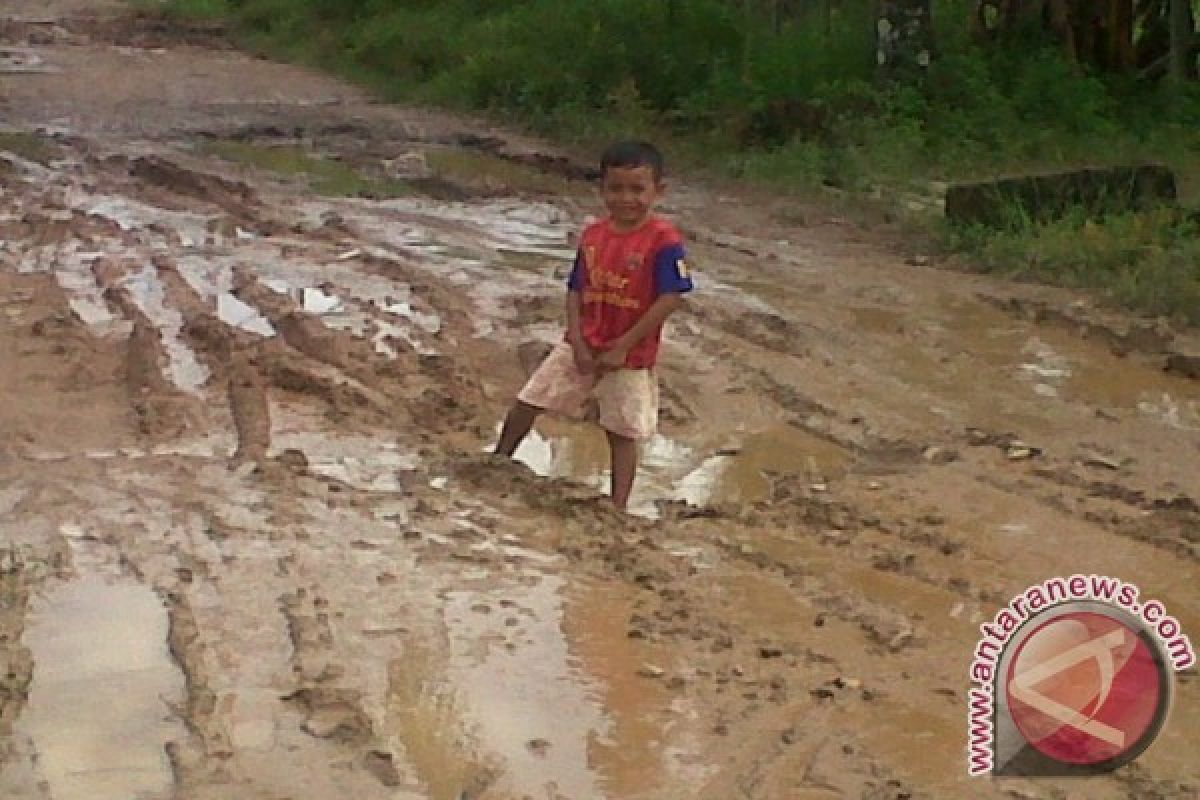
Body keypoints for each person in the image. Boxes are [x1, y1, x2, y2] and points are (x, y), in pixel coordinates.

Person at [494, 140, 694, 511]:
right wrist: (577, 339)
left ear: (658, 191)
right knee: (530, 400)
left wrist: (624, 345)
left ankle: (618, 506)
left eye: (637, 189)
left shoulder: (664, 241)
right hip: (582, 343)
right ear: (601, 189)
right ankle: (498, 460)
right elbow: (575, 289)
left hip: (629, 356)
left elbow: (672, 297)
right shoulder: (593, 236)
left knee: (622, 430)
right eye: (616, 188)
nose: (626, 198)